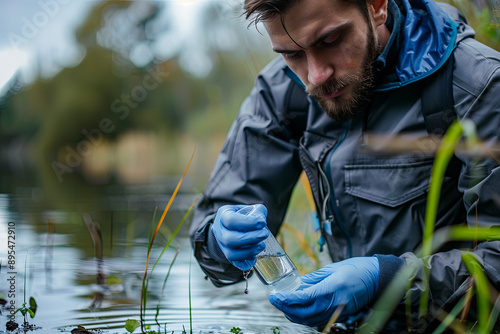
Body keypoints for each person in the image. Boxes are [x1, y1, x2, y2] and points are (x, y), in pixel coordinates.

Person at [189, 0, 500, 331]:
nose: (315, 76)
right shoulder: (280, 92)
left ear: (377, 7)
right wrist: (219, 241)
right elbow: (214, 249)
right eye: (291, 54)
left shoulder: (480, 85)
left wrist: (389, 280)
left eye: (329, 41)